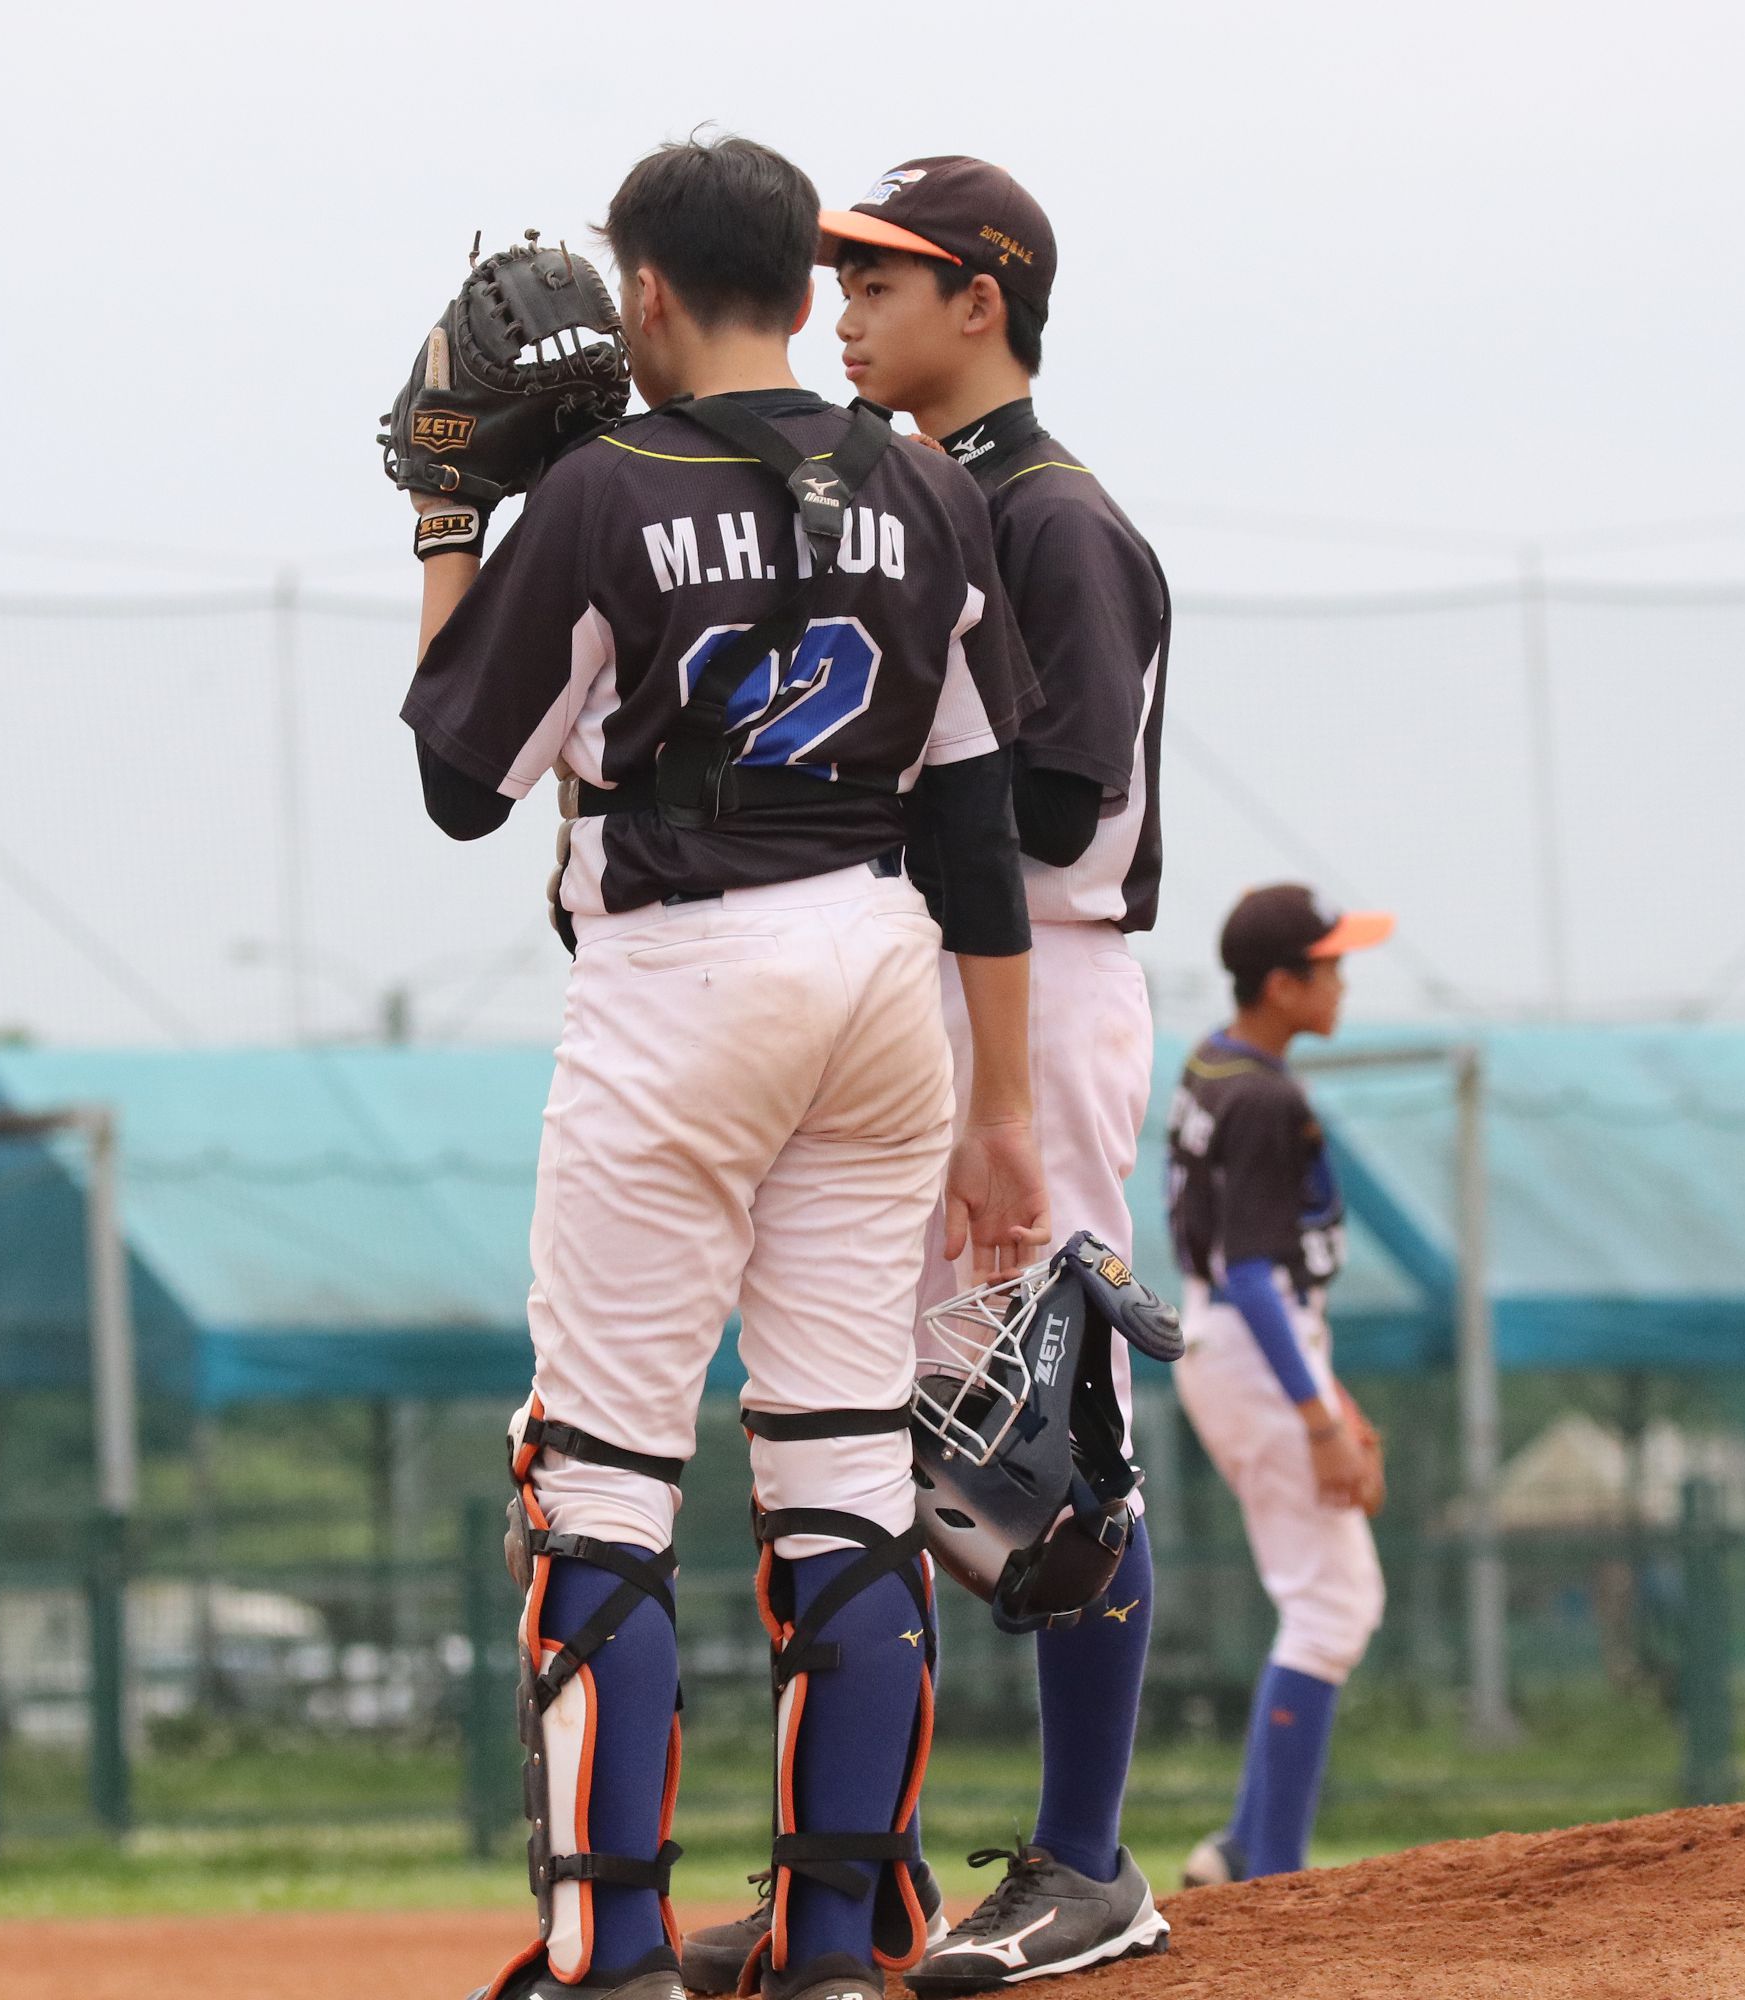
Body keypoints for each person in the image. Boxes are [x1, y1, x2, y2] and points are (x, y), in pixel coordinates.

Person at [399, 133, 1052, 2000]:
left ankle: (608, 1951)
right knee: (843, 1466)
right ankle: (840, 1943)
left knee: (602, 1473)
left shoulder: (603, 492)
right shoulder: (927, 491)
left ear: (652, 295)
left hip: (686, 976)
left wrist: (448, 527)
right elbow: (977, 820)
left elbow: (462, 784)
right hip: (884, 975)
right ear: (793, 281)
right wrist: (1005, 1110)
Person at [689, 156, 1177, 1997]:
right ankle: (858, 1880)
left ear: (985, 299)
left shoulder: (1053, 519)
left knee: (1045, 1426)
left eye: (883, 280)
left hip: (1040, 986)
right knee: (871, 1431)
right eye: (842, 278)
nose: (847, 310)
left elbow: (1054, 809)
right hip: (925, 989)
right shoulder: (917, 506)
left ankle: (1090, 1864)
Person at [1165, 884, 1394, 1887]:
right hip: (1255, 1349)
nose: (1342, 982)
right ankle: (1273, 1867)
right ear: (1281, 984)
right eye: (1328, 966)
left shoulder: (1216, 1062)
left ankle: (1244, 1850)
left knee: (1331, 1598)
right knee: (1331, 1607)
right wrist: (1317, 1416)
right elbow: (1253, 1272)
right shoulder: (1263, 1095)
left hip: (1245, 1346)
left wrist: (1333, 1400)